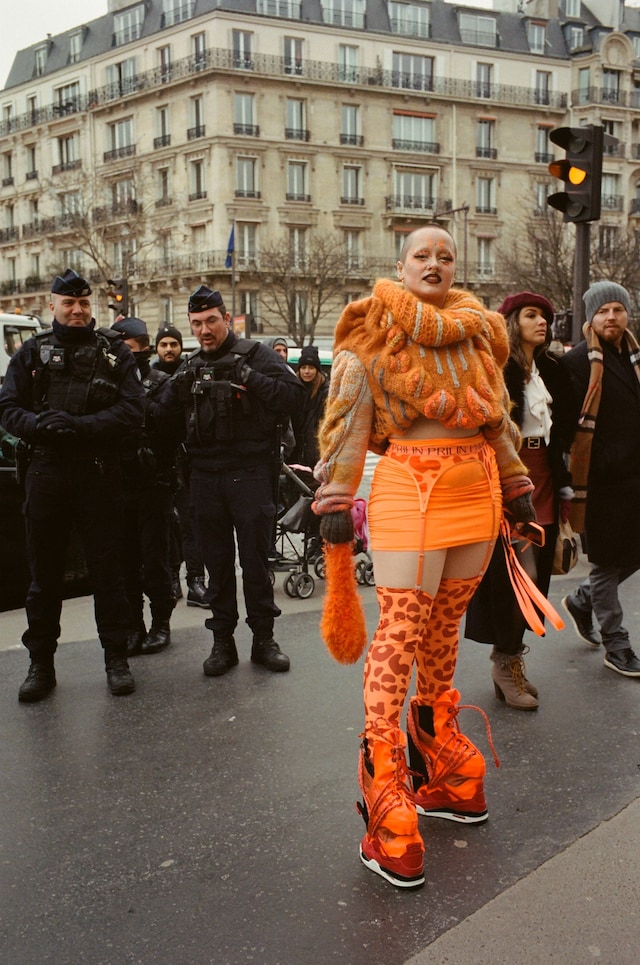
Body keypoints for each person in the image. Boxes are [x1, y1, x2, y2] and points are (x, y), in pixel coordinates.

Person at [314, 224, 535, 888]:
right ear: (401, 265)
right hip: (410, 490)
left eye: (446, 255)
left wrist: (517, 490)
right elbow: (348, 425)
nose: (435, 263)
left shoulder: (479, 333)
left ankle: (449, 769)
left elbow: (495, 424)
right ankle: (390, 797)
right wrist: (335, 506)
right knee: (401, 627)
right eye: (422, 255)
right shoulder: (370, 331)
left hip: (477, 493)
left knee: (442, 631)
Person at [0, 269, 144, 701]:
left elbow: (132, 412)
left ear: (91, 306)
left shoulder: (116, 354)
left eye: (84, 303)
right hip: (46, 473)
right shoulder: (30, 353)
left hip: (97, 473)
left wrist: (80, 428)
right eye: (69, 303)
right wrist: (42, 428)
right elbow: (7, 408)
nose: (77, 310)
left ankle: (116, 659)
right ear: (53, 307)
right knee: (43, 578)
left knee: (108, 574)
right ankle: (40, 664)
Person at [160, 286, 305, 675]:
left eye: (211, 321)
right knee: (217, 565)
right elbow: (161, 416)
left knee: (256, 563)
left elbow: (294, 397)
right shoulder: (190, 366)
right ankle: (222, 642)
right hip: (205, 477)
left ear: (227, 318)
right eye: (196, 323)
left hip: (251, 474)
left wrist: (250, 378)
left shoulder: (256, 356)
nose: (204, 330)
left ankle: (264, 639)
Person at [465, 292, 572, 709]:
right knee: (516, 575)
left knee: (537, 575)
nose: (542, 322)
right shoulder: (497, 367)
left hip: (544, 472)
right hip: (510, 477)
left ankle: (511, 658)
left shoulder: (551, 368)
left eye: (545, 316)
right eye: (532, 315)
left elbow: (560, 429)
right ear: (512, 321)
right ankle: (503, 662)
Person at [559, 281, 640, 678]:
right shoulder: (576, 362)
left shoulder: (636, 358)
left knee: (633, 553)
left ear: (628, 315)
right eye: (604, 311)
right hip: (601, 482)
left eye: (618, 310)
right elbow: (567, 427)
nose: (612, 317)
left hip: (636, 477)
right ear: (591, 317)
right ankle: (616, 643)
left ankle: (583, 600)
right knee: (607, 562)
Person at [112, 316, 181, 656]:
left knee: (155, 559)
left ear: (142, 348)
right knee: (125, 559)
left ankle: (160, 623)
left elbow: (174, 432)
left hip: (154, 483)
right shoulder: (110, 383)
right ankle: (133, 625)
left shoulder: (161, 383)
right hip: (120, 482)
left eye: (127, 348)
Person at [153, 324, 209, 607]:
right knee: (166, 527)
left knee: (191, 524)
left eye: (173, 344)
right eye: (163, 344)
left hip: (188, 462)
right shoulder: (149, 378)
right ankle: (172, 579)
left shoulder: (190, 374)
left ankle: (195, 581)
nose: (169, 349)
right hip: (160, 464)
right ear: (156, 348)